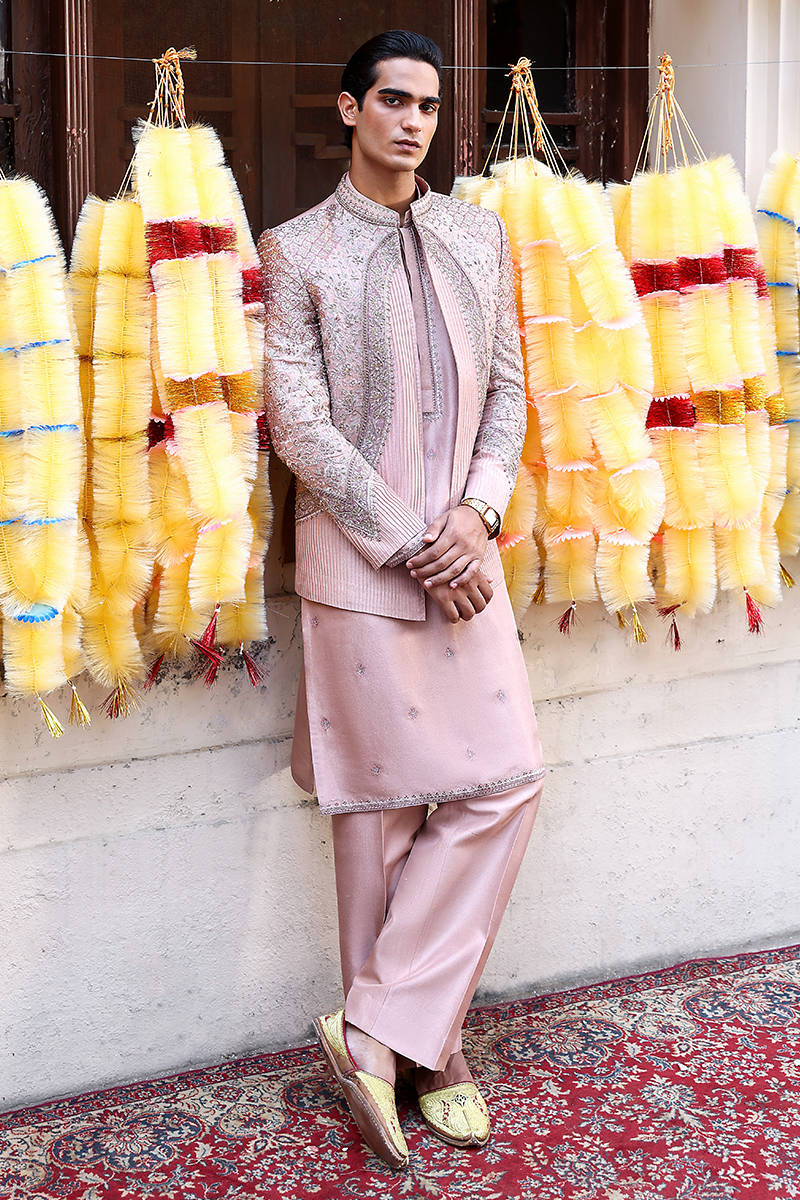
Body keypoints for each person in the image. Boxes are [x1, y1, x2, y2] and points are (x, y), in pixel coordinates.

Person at [257, 29, 545, 1170]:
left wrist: (475, 514)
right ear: (349, 110)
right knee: (376, 812)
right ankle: (431, 1054)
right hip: (360, 567)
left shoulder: (479, 237)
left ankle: (381, 1028)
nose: (412, 121)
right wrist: (410, 539)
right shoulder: (298, 251)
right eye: (391, 100)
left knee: (504, 780)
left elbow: (510, 392)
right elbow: (299, 425)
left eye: (427, 105)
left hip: (466, 558)